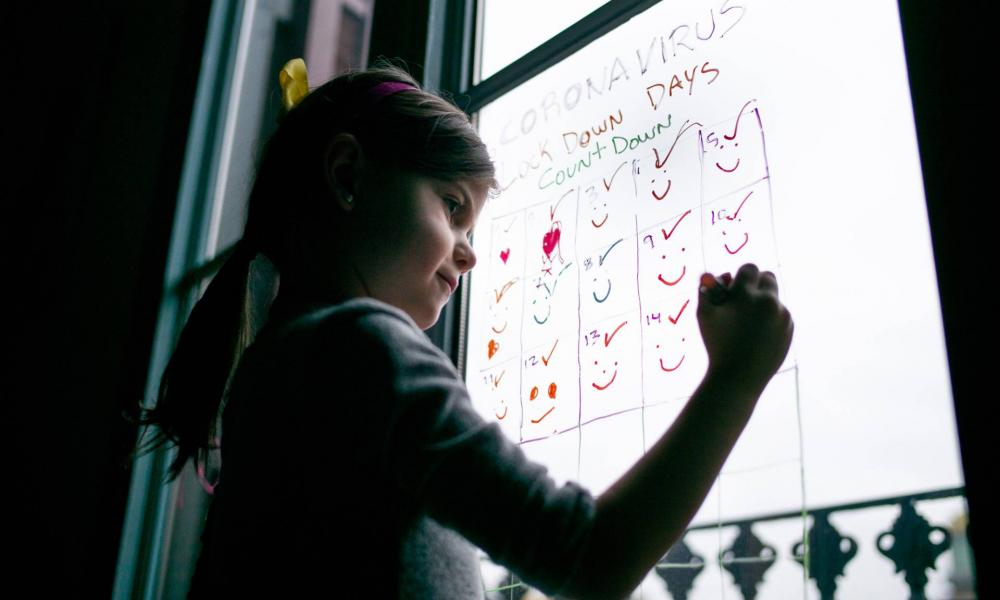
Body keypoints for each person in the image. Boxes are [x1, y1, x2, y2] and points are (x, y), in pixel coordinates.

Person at [127, 57, 793, 599]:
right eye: (451, 206)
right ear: (348, 175)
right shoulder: (365, 348)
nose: (469, 253)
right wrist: (735, 377)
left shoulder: (274, 366)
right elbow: (590, 558)